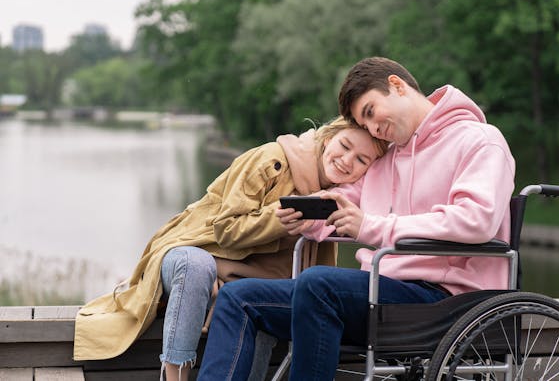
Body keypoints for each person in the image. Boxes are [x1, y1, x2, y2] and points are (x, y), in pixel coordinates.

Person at [196, 56, 516, 381]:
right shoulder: (386, 159)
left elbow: (477, 219)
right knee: (240, 298)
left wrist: (372, 227)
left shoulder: (481, 141)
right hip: (382, 295)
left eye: (370, 112)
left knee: (319, 283)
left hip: (449, 302)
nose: (374, 128)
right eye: (365, 125)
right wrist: (303, 214)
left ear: (396, 85)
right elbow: (341, 203)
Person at [72, 116, 388, 381]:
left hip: (247, 281)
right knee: (197, 268)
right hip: (194, 251)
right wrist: (275, 219)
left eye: (361, 159)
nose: (347, 161)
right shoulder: (271, 159)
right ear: (327, 137)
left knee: (260, 296)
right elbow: (224, 230)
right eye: (345, 146)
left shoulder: (339, 199)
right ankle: (173, 376)